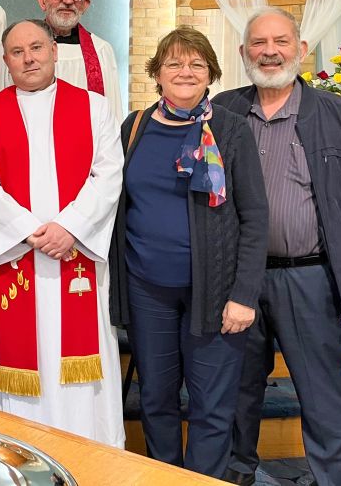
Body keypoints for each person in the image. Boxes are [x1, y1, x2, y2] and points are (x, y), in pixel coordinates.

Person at [214, 7, 341, 486]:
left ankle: (335, 479)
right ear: (244, 52)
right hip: (237, 280)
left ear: (301, 49)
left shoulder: (335, 114)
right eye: (259, 43)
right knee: (235, 388)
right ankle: (235, 471)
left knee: (324, 390)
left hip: (311, 277)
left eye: (281, 42)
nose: (270, 51)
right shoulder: (223, 111)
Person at [111, 27, 268, 478]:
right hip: (147, 290)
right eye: (174, 63)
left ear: (211, 74)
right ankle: (166, 477)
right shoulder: (134, 127)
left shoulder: (231, 129)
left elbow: (256, 219)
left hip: (216, 294)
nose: (185, 72)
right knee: (157, 399)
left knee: (211, 406)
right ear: (157, 74)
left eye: (196, 64)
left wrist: (244, 295)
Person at [0, 19, 124, 446]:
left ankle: (88, 456)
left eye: (36, 47)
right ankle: (18, 457)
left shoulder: (93, 107)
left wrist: (69, 227)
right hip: (16, 256)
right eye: (17, 52)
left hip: (76, 257)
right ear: (5, 60)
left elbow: (108, 175)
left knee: (80, 370)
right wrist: (29, 231)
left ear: (53, 50)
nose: (29, 58)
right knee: (17, 363)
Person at [0, 0, 123, 120]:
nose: (68, 1)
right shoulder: (15, 48)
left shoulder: (101, 51)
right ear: (43, 1)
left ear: (85, 4)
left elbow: (113, 116)